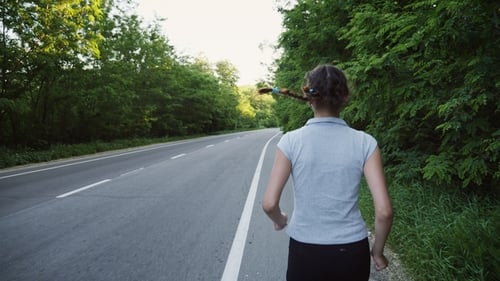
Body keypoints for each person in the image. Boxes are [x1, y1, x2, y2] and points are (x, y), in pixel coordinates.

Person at [262, 64, 393, 281]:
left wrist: (280, 219)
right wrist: (377, 253)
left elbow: (268, 204)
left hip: (305, 250)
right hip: (351, 251)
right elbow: (385, 212)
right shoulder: (365, 143)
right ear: (344, 97)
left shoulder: (290, 142)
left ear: (308, 96)